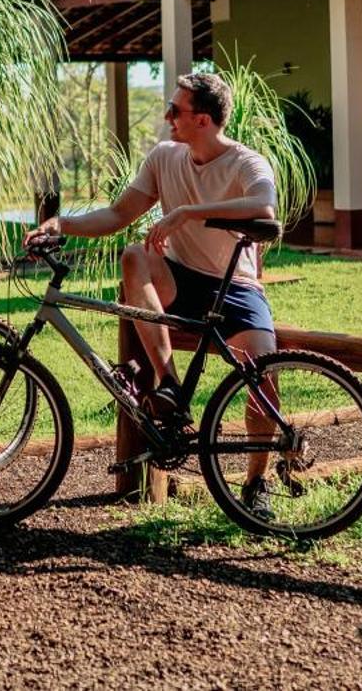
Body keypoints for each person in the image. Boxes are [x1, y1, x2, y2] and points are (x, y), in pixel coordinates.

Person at [28, 71, 281, 503]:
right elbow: (117, 214)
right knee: (134, 254)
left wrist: (187, 212)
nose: (167, 117)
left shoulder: (246, 162)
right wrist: (61, 223)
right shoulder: (165, 156)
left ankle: (257, 481)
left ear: (203, 120)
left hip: (234, 287)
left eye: (176, 110)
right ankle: (169, 385)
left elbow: (264, 206)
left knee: (265, 380)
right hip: (179, 279)